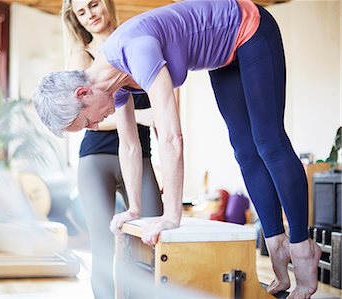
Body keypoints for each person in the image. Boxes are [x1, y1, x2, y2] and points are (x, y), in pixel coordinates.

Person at [33, 1, 321, 298]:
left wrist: (171, 215)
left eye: (86, 122)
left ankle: (302, 246)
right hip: (222, 56)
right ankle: (276, 245)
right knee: (244, 151)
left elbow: (170, 136)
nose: (94, 127)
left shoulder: (135, 51)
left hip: (249, 27)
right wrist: (134, 208)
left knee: (268, 141)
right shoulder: (110, 85)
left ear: (83, 93)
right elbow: (130, 146)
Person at [60, 0, 163, 298]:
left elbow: (161, 111)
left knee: (151, 242)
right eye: (81, 12)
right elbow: (83, 119)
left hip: (141, 157)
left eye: (93, 4)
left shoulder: (136, 43)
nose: (90, 14)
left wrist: (167, 173)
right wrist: (140, 117)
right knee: (104, 250)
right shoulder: (82, 57)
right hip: (97, 161)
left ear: (106, 3)